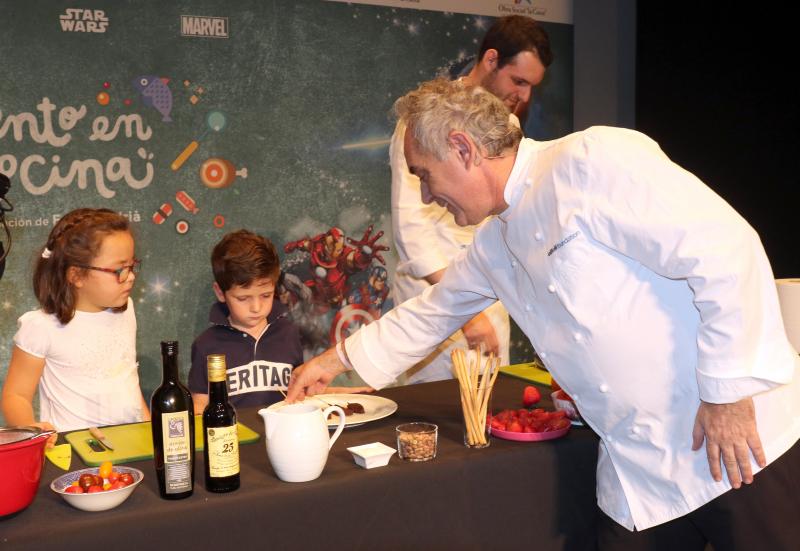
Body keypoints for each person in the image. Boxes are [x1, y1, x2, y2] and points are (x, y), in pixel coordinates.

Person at [289, 79, 800, 549]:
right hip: (638, 470)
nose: (426, 195)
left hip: (734, 440)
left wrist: (728, 393)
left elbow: (726, 249)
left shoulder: (589, 160)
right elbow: (432, 313)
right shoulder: (493, 242)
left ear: (464, 148)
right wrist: (330, 363)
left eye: (425, 175)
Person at [391, 15, 552, 383]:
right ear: (491, 59)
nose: (524, 96)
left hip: (490, 296)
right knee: (433, 424)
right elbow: (411, 230)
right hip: (435, 295)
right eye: (519, 81)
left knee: (489, 418)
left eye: (532, 87)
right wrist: (468, 314)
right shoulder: (423, 119)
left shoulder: (508, 125)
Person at [1, 208, 150, 442]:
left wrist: (148, 429)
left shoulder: (126, 309)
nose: (130, 276)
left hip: (131, 444)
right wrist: (32, 430)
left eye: (132, 266)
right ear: (77, 276)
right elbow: (15, 395)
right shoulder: (41, 327)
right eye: (120, 269)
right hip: (74, 454)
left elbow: (127, 378)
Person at [189, 230, 303, 412]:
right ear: (220, 292)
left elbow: (303, 393)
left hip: (284, 436)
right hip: (230, 438)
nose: (256, 307)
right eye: (243, 298)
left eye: (266, 295)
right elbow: (200, 405)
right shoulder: (206, 345)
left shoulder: (289, 332)